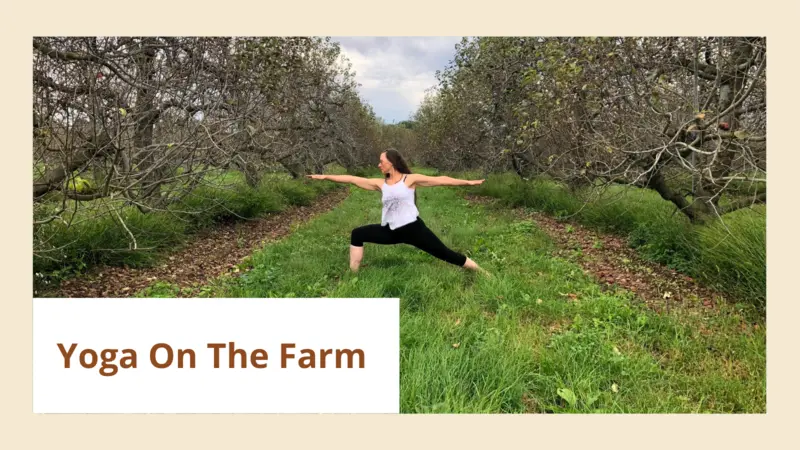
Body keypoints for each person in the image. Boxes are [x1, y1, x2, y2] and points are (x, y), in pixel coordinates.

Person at [306, 148, 489, 275]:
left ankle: (481, 272)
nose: (379, 165)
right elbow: (352, 179)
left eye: (381, 162)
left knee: (445, 254)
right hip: (391, 231)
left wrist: (467, 182)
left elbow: (440, 179)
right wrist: (326, 177)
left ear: (392, 163)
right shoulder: (380, 184)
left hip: (414, 230)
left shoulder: (410, 180)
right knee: (357, 234)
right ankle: (352, 274)